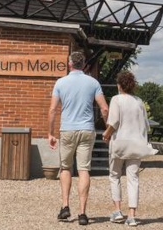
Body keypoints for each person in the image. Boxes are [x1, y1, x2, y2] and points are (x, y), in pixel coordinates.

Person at [48, 51, 109, 225]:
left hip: (67, 130)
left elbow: (52, 110)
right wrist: (108, 129)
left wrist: (50, 133)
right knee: (84, 170)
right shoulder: (93, 82)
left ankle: (65, 206)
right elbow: (104, 108)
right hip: (87, 130)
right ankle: (82, 213)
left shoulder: (60, 82)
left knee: (65, 168)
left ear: (69, 64)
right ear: (83, 65)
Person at [102, 71, 156, 227]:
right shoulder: (139, 101)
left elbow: (114, 122)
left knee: (114, 175)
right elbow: (145, 125)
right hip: (136, 144)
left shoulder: (116, 99)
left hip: (120, 143)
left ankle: (118, 210)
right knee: (133, 179)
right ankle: (132, 215)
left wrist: (106, 134)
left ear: (119, 85)